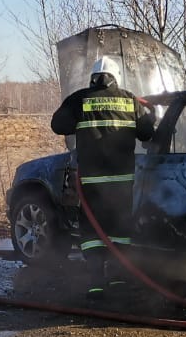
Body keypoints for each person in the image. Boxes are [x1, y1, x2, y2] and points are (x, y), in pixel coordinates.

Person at [51, 56, 155, 299]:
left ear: (93, 77)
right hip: (121, 180)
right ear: (116, 77)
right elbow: (147, 133)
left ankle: (96, 283)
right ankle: (118, 279)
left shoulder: (80, 99)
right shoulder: (130, 100)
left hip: (91, 182)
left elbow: (58, 125)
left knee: (91, 233)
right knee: (119, 227)